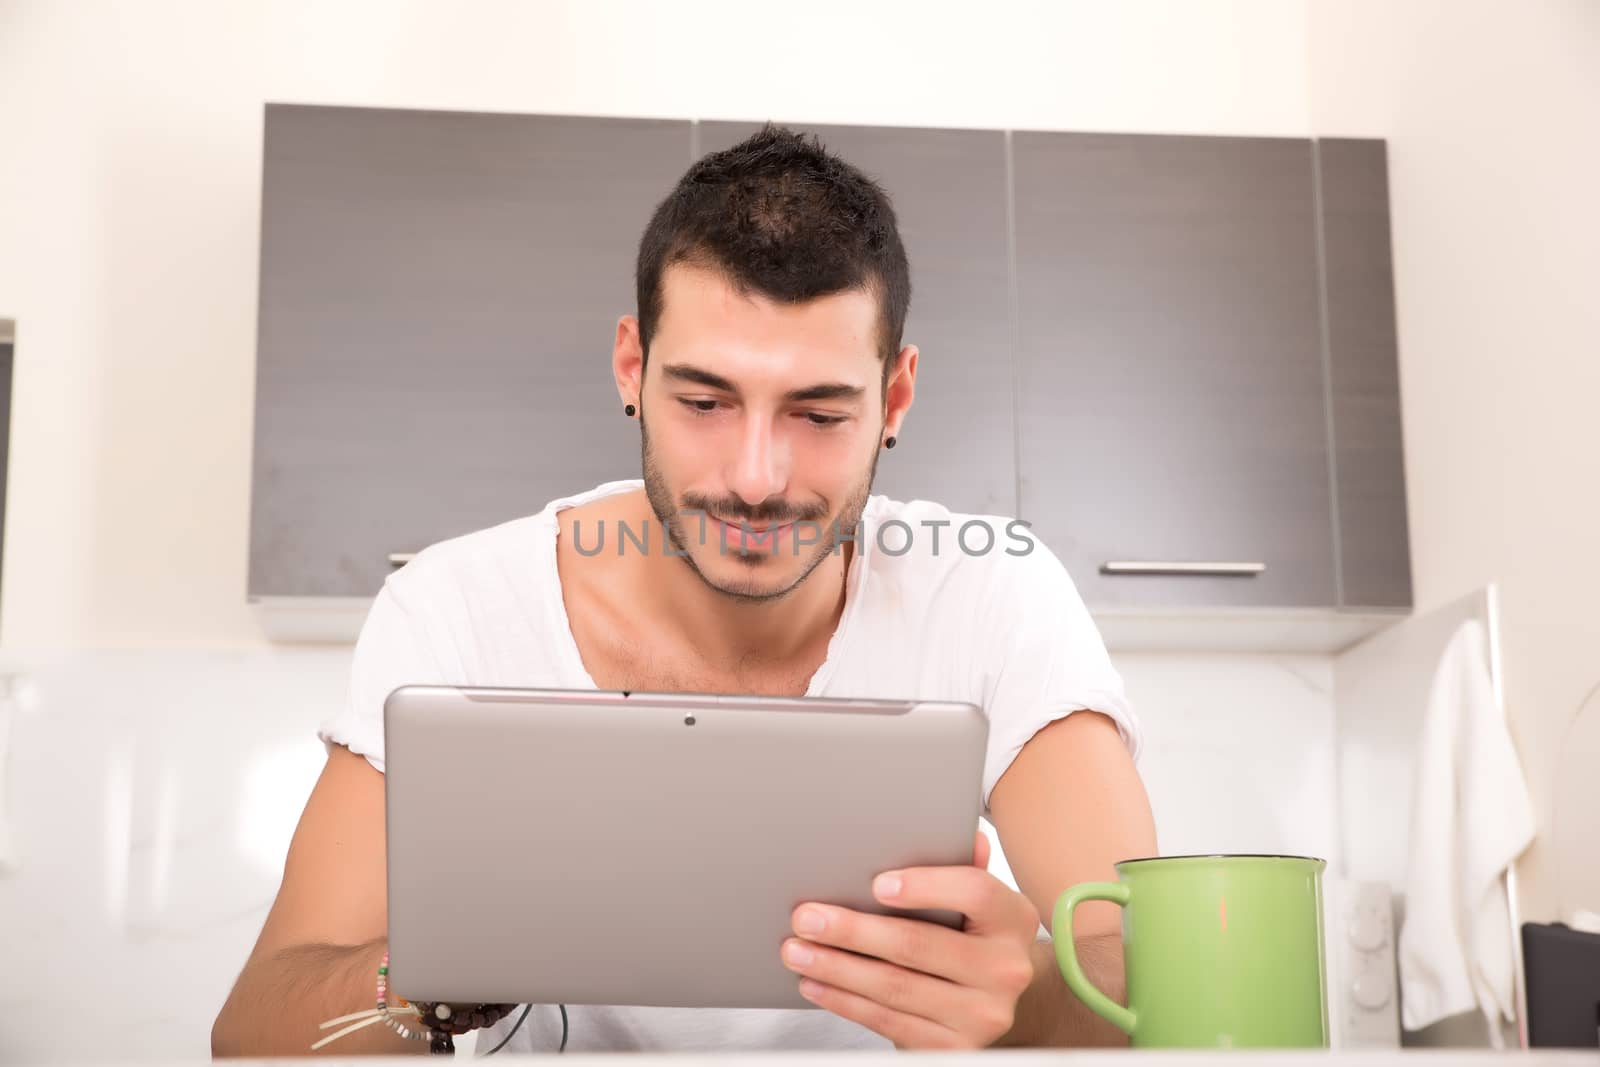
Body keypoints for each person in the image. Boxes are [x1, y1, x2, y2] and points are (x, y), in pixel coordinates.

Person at [211, 123, 1156, 1056]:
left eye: (819, 413)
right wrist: (428, 978)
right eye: (704, 402)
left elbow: (1159, 981)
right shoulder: (454, 607)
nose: (755, 478)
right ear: (632, 366)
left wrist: (1024, 996)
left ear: (894, 400)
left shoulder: (991, 594)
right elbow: (254, 1030)